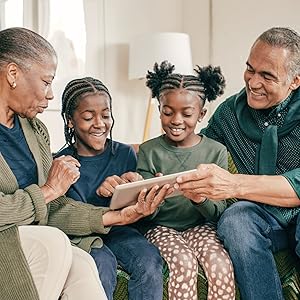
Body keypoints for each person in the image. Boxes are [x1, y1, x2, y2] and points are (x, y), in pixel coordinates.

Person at [0, 27, 167, 300]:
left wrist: (118, 216)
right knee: (55, 243)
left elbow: (52, 209)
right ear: (13, 74)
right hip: (12, 241)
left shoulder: (35, 130)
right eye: (46, 81)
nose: (51, 94)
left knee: (83, 265)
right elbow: (48, 197)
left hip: (38, 238)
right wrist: (48, 190)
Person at [174, 27, 300, 300]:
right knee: (236, 219)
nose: (253, 82)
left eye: (267, 75)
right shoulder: (230, 112)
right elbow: (193, 148)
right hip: (262, 217)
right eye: (250, 69)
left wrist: (233, 184)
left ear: (294, 81)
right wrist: (129, 158)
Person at [56, 76, 170, 300]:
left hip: (122, 231)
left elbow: (140, 215)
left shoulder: (125, 153)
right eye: (88, 117)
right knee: (102, 264)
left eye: (106, 115)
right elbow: (67, 215)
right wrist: (99, 193)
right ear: (70, 120)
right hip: (84, 236)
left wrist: (140, 189)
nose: (99, 123)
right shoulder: (62, 164)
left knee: (149, 260)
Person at [135, 61, 235, 300]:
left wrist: (200, 199)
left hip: (201, 226)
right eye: (168, 112)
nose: (176, 120)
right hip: (161, 228)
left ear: (201, 114)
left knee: (220, 264)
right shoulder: (149, 151)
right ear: (159, 110)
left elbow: (218, 212)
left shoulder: (216, 152)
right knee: (183, 261)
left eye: (187, 113)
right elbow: (145, 214)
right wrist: (154, 198)